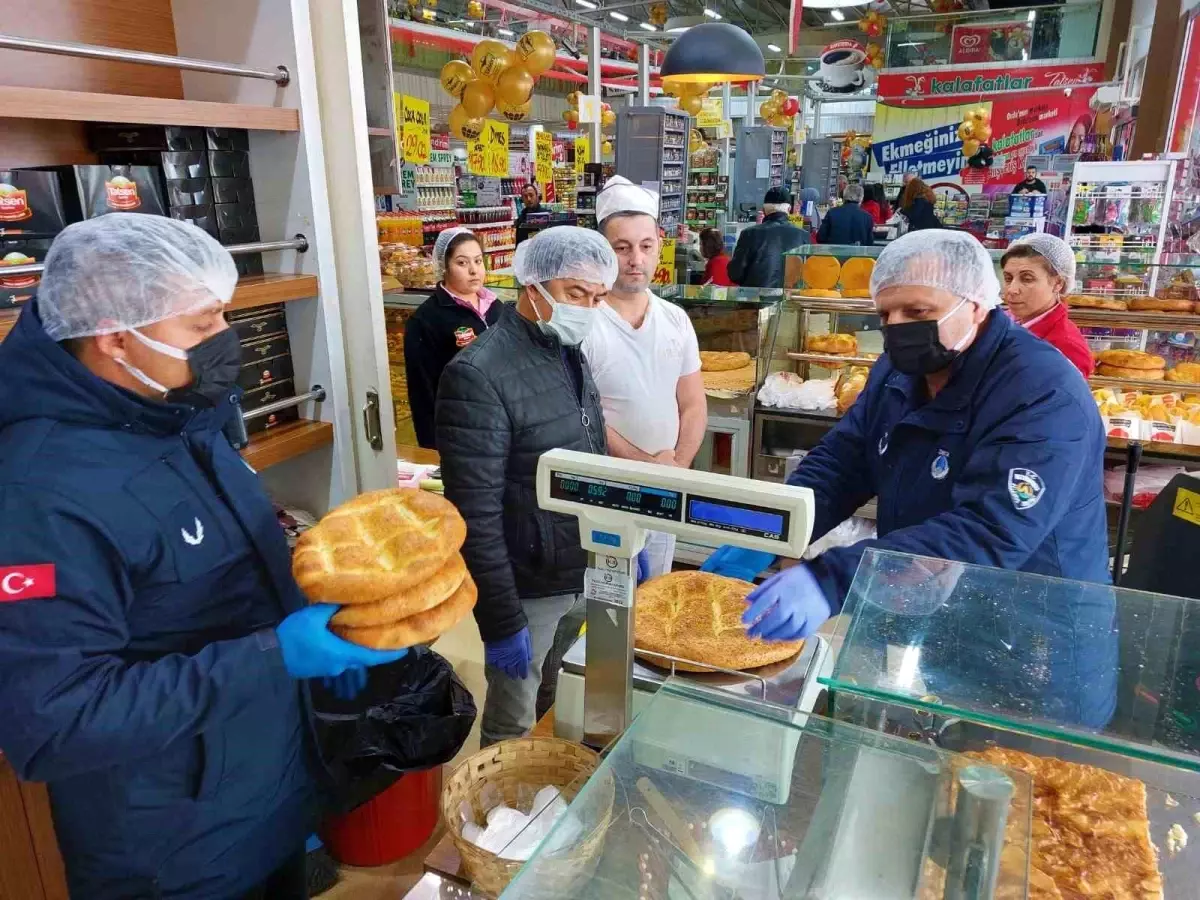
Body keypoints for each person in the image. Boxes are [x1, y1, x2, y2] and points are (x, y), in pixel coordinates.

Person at [0, 215, 404, 900]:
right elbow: (53, 724)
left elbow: (206, 568)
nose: (225, 340)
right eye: (202, 323)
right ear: (115, 336)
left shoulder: (177, 412)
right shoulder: (39, 494)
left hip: (263, 794)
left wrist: (316, 602)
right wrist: (279, 657)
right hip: (171, 854)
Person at [705, 230, 1109, 661]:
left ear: (975, 305)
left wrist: (833, 579)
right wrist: (771, 527)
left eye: (917, 310)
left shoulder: (1042, 392)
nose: (897, 327)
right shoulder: (899, 372)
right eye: (885, 314)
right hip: (927, 601)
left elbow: (990, 529)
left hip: (1031, 631)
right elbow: (843, 463)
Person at [436, 226, 617, 746]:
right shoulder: (478, 375)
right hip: (526, 581)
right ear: (531, 286)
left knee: (557, 695)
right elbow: (473, 511)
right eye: (575, 294)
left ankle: (541, 794)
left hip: (578, 562)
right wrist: (499, 617)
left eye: (597, 297)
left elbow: (589, 449)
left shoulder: (566, 350)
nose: (587, 308)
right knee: (512, 719)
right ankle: (500, 817)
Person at [585, 176, 707, 581]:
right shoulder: (584, 323)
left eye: (645, 246)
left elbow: (692, 404)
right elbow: (585, 418)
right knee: (606, 601)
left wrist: (676, 469)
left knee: (654, 592)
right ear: (603, 251)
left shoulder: (675, 319)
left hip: (664, 488)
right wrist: (647, 467)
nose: (635, 258)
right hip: (606, 492)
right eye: (622, 248)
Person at [404, 227, 505, 449]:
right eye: (462, 263)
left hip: (501, 427)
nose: (473, 270)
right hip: (460, 433)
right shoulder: (426, 320)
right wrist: (432, 448)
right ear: (444, 266)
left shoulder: (497, 307)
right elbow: (422, 393)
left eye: (478, 261)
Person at [1001, 233, 1093, 377]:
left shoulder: (1065, 347)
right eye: (1008, 278)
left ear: (1058, 283)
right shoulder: (1005, 321)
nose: (1012, 289)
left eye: (1027, 279)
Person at [728, 187, 811, 288]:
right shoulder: (803, 235)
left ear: (764, 210)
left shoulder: (749, 234)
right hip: (789, 300)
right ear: (789, 209)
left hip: (755, 300)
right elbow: (807, 276)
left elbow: (735, 274)